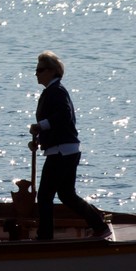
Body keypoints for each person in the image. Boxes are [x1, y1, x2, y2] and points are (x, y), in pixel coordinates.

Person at [29, 51, 110, 240]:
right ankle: (99, 226)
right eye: (36, 70)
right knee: (66, 194)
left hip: (62, 152)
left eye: (40, 70)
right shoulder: (53, 91)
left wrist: (41, 126)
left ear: (52, 71)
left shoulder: (56, 91)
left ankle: (45, 237)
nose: (36, 74)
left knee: (45, 196)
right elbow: (59, 124)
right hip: (65, 150)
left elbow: (64, 116)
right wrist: (39, 140)